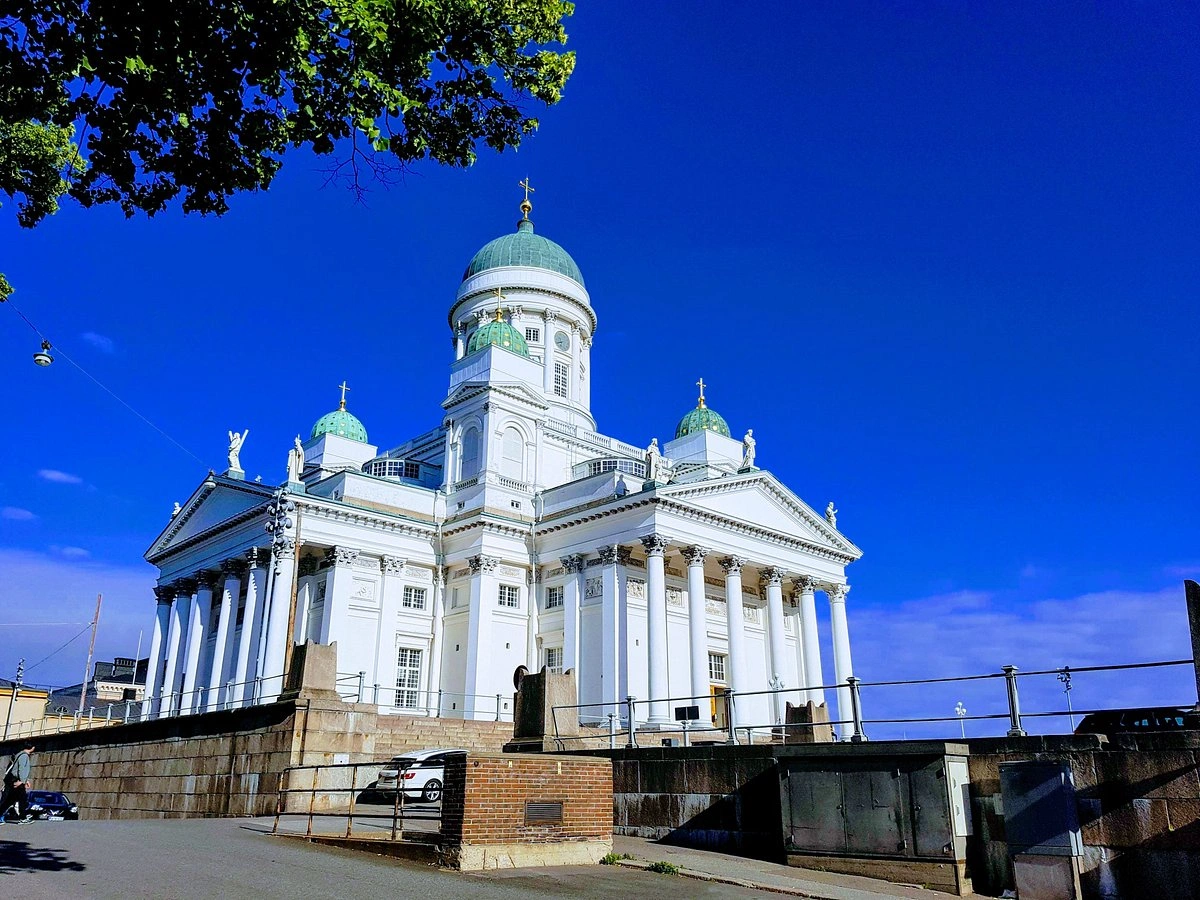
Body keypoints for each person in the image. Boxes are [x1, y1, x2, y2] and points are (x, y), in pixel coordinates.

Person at [1, 741, 34, 824]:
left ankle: (22, 817)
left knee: (10, 800)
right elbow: (22, 769)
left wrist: (26, 780)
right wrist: (23, 781)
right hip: (17, 780)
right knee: (22, 799)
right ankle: (23, 818)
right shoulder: (24, 756)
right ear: (32, 748)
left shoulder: (19, 754)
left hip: (14, 780)